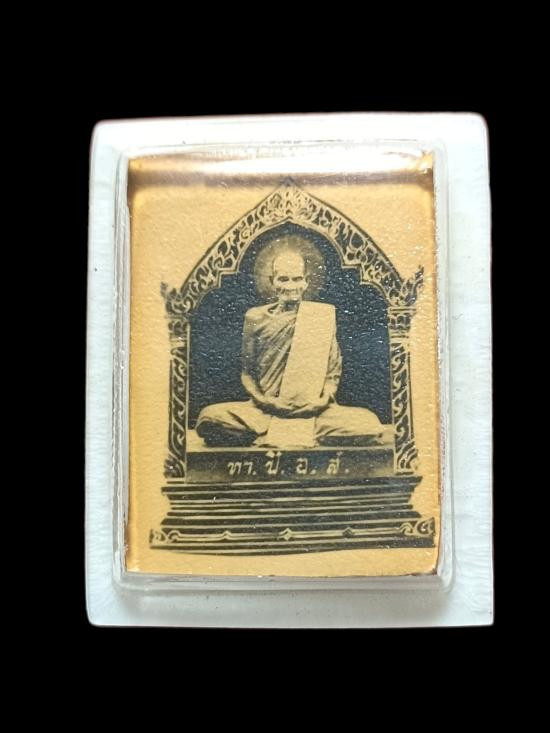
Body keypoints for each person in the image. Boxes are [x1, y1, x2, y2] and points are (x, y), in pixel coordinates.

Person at [196, 245, 391, 448]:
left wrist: (321, 402)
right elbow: (247, 374)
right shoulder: (255, 317)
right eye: (283, 279)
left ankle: (269, 435)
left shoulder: (320, 317)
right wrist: (266, 402)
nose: (290, 286)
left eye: (297, 279)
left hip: (314, 412)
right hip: (264, 411)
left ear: (306, 281)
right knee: (209, 418)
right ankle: (290, 433)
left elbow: (332, 373)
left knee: (368, 423)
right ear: (272, 281)